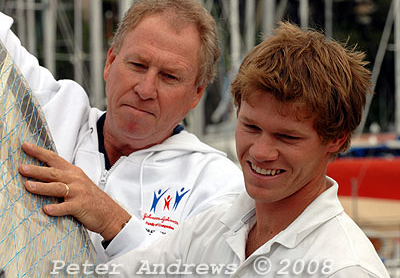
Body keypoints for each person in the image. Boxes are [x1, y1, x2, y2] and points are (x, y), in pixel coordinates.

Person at [107, 22, 390, 277]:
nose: (260, 152)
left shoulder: (346, 269)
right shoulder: (213, 227)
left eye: (287, 137)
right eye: (251, 128)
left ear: (337, 139)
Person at [0, 0, 243, 262]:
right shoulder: (52, 111)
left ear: (197, 93)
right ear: (110, 62)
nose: (145, 89)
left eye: (169, 76)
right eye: (137, 65)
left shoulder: (214, 183)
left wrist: (113, 222)